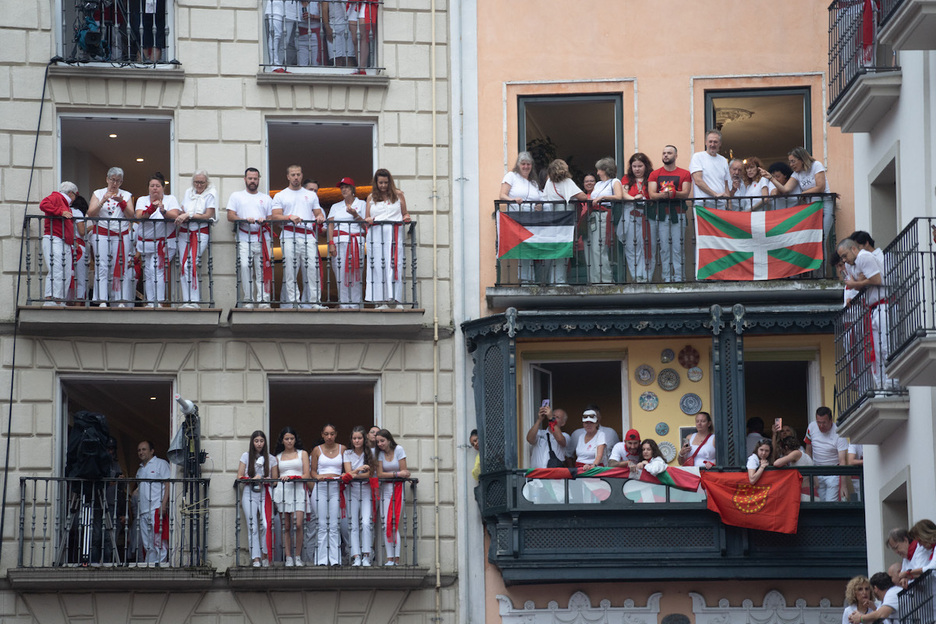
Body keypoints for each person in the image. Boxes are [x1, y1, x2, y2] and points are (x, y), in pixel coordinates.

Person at [838, 238, 890, 388]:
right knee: (877, 350)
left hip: (883, 305)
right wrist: (858, 283)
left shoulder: (864, 257)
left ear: (854, 249)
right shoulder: (852, 264)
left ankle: (892, 382)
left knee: (885, 346)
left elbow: (876, 279)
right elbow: (859, 281)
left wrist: (857, 284)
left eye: (845, 255)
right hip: (873, 308)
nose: (844, 260)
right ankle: (882, 386)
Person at [272, 164, 326, 309]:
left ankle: (314, 302)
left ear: (302, 175)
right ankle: (293, 302)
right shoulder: (280, 195)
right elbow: (275, 217)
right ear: (288, 177)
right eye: (293, 175)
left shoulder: (311, 195)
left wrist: (320, 217)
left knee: (312, 269)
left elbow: (318, 213)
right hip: (289, 234)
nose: (296, 177)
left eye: (298, 174)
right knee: (290, 270)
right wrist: (289, 216)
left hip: (308, 235)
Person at [87, 167, 135, 307]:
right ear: (107, 179)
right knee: (102, 266)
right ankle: (102, 300)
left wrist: (122, 202)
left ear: (121, 182)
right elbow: (91, 213)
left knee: (120, 265)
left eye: (118, 181)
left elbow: (131, 215)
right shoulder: (98, 193)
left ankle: (120, 300)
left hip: (121, 234)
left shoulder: (126, 194)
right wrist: (102, 200)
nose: (115, 183)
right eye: (113, 180)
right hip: (102, 232)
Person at [227, 168, 274, 308]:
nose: (252, 181)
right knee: (245, 266)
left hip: (262, 238)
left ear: (258, 179)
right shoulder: (237, 196)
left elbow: (271, 218)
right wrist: (244, 220)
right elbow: (230, 216)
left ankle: (263, 300)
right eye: (250, 178)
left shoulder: (266, 198)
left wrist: (264, 220)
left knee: (262, 269)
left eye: (255, 178)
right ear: (245, 179)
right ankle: (248, 300)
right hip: (244, 236)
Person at [365, 169, 411, 307]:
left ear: (389, 182)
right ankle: (381, 301)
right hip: (376, 235)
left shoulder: (398, 195)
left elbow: (405, 213)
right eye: (380, 183)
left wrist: (407, 217)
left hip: (393, 234)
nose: (383, 186)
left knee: (394, 265)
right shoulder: (371, 198)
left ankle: (396, 300)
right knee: (378, 266)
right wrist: (368, 219)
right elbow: (367, 217)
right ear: (376, 183)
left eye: (385, 182)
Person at [135, 172, 180, 307]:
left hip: (164, 242)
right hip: (147, 243)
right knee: (148, 271)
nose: (155, 188)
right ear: (148, 187)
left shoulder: (170, 199)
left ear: (163, 187)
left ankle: (159, 301)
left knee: (157, 270)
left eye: (158, 186)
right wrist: (151, 208)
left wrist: (162, 210)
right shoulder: (142, 200)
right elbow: (139, 215)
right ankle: (150, 301)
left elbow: (175, 215)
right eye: (152, 185)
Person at [648, 145, 692, 283]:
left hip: (678, 215)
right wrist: (666, 195)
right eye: (664, 153)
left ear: (676, 156)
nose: (666, 155)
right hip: (661, 215)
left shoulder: (684, 173)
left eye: (669, 153)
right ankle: (667, 278)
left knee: (678, 248)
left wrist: (673, 194)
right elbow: (652, 195)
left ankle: (679, 278)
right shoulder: (655, 174)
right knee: (664, 249)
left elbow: (685, 193)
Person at [540, 159, 587, 285]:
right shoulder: (567, 182)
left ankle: (549, 279)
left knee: (554, 249)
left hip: (552, 218)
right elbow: (583, 196)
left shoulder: (549, 182)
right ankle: (559, 280)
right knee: (564, 248)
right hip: (565, 218)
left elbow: (544, 198)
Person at [499, 151, 543, 283]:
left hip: (532, 220)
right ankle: (525, 281)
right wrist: (513, 200)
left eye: (528, 164)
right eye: (523, 164)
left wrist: (539, 206)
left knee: (531, 248)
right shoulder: (511, 176)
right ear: (518, 165)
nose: (526, 167)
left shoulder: (534, 183)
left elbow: (540, 199)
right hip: (516, 220)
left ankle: (532, 279)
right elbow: (502, 195)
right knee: (523, 248)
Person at [175, 170, 216, 308]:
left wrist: (189, 215)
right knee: (183, 265)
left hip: (199, 232)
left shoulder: (211, 194)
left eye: (201, 182)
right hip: (184, 232)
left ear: (207, 183)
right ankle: (187, 300)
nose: (198, 185)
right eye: (196, 182)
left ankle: (194, 301)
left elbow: (208, 215)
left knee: (190, 264)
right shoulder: (188, 192)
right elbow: (182, 208)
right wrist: (181, 214)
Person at [238, 430, 278, 567]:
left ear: (265, 442)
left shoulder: (271, 458)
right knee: (252, 526)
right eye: (256, 441)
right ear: (252, 442)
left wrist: (266, 479)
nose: (259, 444)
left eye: (261, 441)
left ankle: (265, 555)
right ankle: (255, 558)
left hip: (265, 493)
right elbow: (239, 477)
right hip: (249, 492)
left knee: (266, 525)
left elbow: (275, 480)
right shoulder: (246, 456)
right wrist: (252, 478)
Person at [327, 177, 367, 308]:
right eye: (342, 187)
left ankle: (356, 304)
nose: (343, 189)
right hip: (340, 242)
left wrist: (355, 214)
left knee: (356, 272)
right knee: (340, 273)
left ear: (352, 189)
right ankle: (344, 303)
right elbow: (331, 226)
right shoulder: (335, 206)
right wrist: (331, 243)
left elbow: (366, 226)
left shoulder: (362, 204)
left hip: (356, 241)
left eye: (346, 187)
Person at [309, 423, 344, 566]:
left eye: (332, 434)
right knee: (322, 524)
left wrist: (342, 475)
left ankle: (335, 559)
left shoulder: (343, 449)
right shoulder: (317, 450)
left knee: (334, 524)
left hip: (336, 487)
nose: (329, 437)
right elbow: (313, 471)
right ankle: (321, 559)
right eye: (326, 434)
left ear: (336, 434)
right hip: (321, 488)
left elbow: (347, 469)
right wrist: (317, 477)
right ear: (322, 435)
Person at [274, 426, 309, 566]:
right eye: (286, 439)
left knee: (299, 524)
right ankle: (288, 557)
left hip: (298, 488)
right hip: (283, 490)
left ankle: (298, 556)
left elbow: (307, 474)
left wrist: (295, 477)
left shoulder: (303, 454)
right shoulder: (277, 457)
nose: (289, 441)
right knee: (286, 526)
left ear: (295, 440)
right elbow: (275, 477)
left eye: (291, 438)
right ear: (282, 440)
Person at [39, 182, 78, 306]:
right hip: (54, 238)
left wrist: (72, 240)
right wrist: (60, 212)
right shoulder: (56, 197)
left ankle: (59, 298)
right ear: (71, 193)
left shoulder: (64, 202)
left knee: (65, 270)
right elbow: (43, 204)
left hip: (63, 240)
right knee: (57, 268)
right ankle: (52, 298)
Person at [789, 147, 834, 254]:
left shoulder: (816, 165)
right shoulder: (797, 173)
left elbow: (820, 187)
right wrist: (771, 179)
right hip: (812, 208)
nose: (791, 164)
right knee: (813, 240)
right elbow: (786, 189)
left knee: (821, 239)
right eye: (790, 162)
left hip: (825, 204)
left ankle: (821, 271)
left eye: (793, 161)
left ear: (802, 159)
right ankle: (815, 270)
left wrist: (803, 193)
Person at [618, 153, 654, 282]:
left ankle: (647, 277)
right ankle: (637, 277)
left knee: (649, 247)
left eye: (640, 166)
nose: (637, 169)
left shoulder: (651, 177)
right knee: (632, 248)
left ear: (646, 166)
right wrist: (634, 199)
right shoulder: (627, 178)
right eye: (634, 166)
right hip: (630, 215)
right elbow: (623, 193)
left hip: (648, 216)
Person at [375, 429, 409, 566]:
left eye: (382, 441)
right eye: (377, 442)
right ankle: (389, 558)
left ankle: (396, 558)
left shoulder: (399, 449)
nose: (380, 444)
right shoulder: (379, 454)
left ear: (389, 440)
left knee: (393, 523)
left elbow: (405, 471)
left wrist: (395, 474)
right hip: (385, 489)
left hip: (397, 489)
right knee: (385, 523)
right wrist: (396, 474)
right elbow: (380, 474)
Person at [586, 158, 622, 284]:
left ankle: (606, 280)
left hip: (604, 215)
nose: (597, 173)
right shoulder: (598, 184)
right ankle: (595, 279)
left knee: (599, 248)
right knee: (592, 249)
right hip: (593, 216)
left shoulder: (615, 182)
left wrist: (603, 197)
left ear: (605, 170)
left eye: (599, 170)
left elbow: (619, 196)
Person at [135, 440, 170, 566]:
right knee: (147, 543)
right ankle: (149, 566)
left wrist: (164, 504)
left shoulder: (161, 464)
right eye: (139, 450)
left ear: (152, 451)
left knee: (158, 542)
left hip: (156, 508)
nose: (141, 452)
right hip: (143, 510)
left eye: (144, 449)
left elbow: (168, 484)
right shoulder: (139, 470)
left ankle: (161, 567)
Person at [343, 426, 374, 566]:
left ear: (364, 439)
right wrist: (359, 470)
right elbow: (349, 474)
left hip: (367, 490)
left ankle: (367, 555)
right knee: (353, 524)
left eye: (359, 438)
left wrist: (355, 474)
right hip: (352, 491)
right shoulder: (347, 453)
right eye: (354, 438)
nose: (356, 440)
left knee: (366, 522)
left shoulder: (371, 453)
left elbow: (371, 474)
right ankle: (356, 556)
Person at [804, 406, 847, 501]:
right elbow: (808, 451)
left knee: (831, 503)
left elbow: (842, 460)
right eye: (818, 422)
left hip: (833, 472)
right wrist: (809, 473)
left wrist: (844, 485)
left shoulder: (839, 432)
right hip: (816, 471)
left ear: (831, 420)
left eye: (824, 422)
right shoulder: (811, 427)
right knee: (820, 502)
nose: (821, 426)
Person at [689, 130, 730, 209]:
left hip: (721, 205)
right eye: (710, 141)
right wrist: (715, 194)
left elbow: (726, 185)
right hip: (703, 204)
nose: (712, 144)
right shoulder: (697, 157)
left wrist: (728, 204)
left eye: (715, 142)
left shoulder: (723, 160)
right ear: (706, 142)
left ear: (720, 144)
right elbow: (698, 181)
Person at [526, 404, 569, 469]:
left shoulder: (565, 436)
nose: (554, 418)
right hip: (536, 475)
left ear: (563, 423)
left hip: (553, 476)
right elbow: (529, 439)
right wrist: (539, 420)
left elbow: (560, 439)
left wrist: (551, 418)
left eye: (557, 417)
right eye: (553, 415)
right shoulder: (540, 433)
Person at [322, 0, 354, 67]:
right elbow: (324, 11)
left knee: (348, 57)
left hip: (347, 25)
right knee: (336, 58)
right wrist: (327, 28)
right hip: (333, 26)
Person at [296, 1, 322, 66]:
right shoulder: (296, 4)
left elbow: (325, 17)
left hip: (315, 36)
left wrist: (312, 16)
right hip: (300, 36)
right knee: (302, 64)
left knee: (315, 63)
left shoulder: (316, 3)